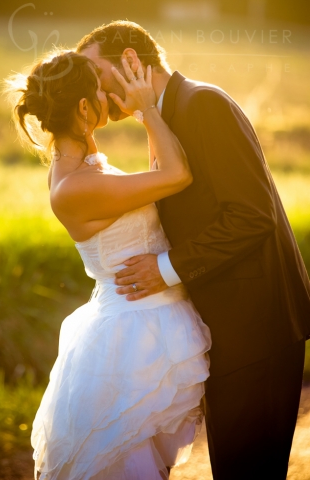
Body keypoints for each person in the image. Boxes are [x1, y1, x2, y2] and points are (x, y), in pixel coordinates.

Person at [77, 21, 310, 480]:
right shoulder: (163, 116)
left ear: (130, 61)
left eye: (95, 73)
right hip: (227, 325)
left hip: (257, 325)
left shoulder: (203, 103)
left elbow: (251, 214)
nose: (93, 89)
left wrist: (164, 268)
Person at [6, 50, 212, 479]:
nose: (111, 92)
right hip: (131, 339)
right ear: (84, 108)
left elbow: (153, 178)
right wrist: (149, 110)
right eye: (100, 87)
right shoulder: (76, 186)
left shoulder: (84, 161)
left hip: (147, 320)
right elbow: (176, 176)